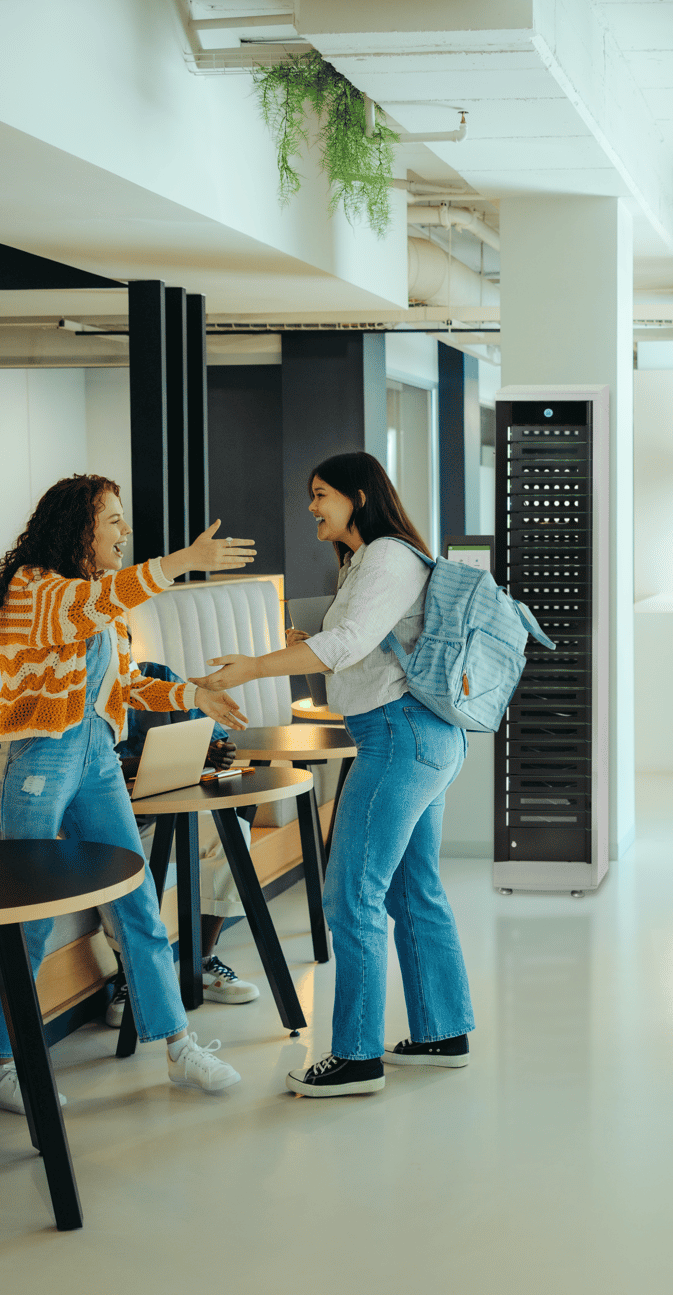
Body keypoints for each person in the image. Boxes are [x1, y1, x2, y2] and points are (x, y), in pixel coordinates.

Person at [189, 452, 474, 1099]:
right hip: (421, 736)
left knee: (351, 896)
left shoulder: (384, 557)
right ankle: (442, 1032)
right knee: (411, 889)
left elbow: (344, 645)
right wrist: (300, 642)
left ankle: (355, 1055)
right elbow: (358, 647)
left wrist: (253, 667)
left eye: (321, 494)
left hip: (399, 738)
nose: (312, 506)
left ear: (358, 496)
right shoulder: (376, 560)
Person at [0, 473, 255, 1111]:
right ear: (80, 528)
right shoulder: (35, 591)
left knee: (136, 901)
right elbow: (84, 607)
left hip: (95, 755)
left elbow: (124, 685)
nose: (124, 532)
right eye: (114, 521)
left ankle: (179, 1046)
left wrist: (192, 696)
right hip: (37, 758)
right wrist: (181, 563)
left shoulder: (100, 602)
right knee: (28, 914)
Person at [105, 658, 261, 1027]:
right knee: (111, 857)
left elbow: (208, 737)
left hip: (169, 814)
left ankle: (202, 963)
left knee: (232, 833)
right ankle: (129, 977)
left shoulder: (156, 678)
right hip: (115, 823)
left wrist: (217, 751)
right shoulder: (75, 691)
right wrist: (144, 763)